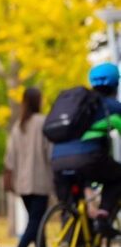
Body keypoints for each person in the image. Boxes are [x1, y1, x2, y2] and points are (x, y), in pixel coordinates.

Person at [50, 62, 121, 235]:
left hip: (57, 161)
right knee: (118, 176)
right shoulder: (111, 107)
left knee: (71, 208)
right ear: (115, 84)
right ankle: (103, 217)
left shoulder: (78, 107)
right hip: (88, 159)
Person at [2, 88, 54, 247]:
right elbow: (50, 151)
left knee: (36, 220)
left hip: (22, 182)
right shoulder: (43, 122)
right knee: (36, 221)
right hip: (40, 181)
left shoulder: (19, 125)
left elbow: (10, 157)